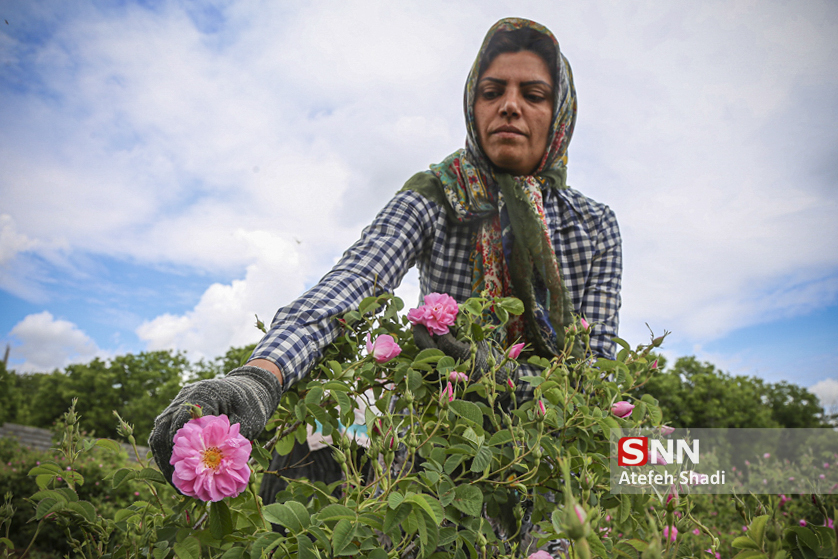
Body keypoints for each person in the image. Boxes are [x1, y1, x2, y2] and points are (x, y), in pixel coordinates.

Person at [149, 17, 621, 551]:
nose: (510, 106)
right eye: (493, 91)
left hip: (547, 457)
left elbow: (596, 379)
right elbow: (355, 278)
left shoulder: (592, 226)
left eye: (533, 94)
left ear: (558, 113)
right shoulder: (438, 195)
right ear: (474, 102)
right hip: (433, 455)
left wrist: (499, 376)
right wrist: (260, 377)